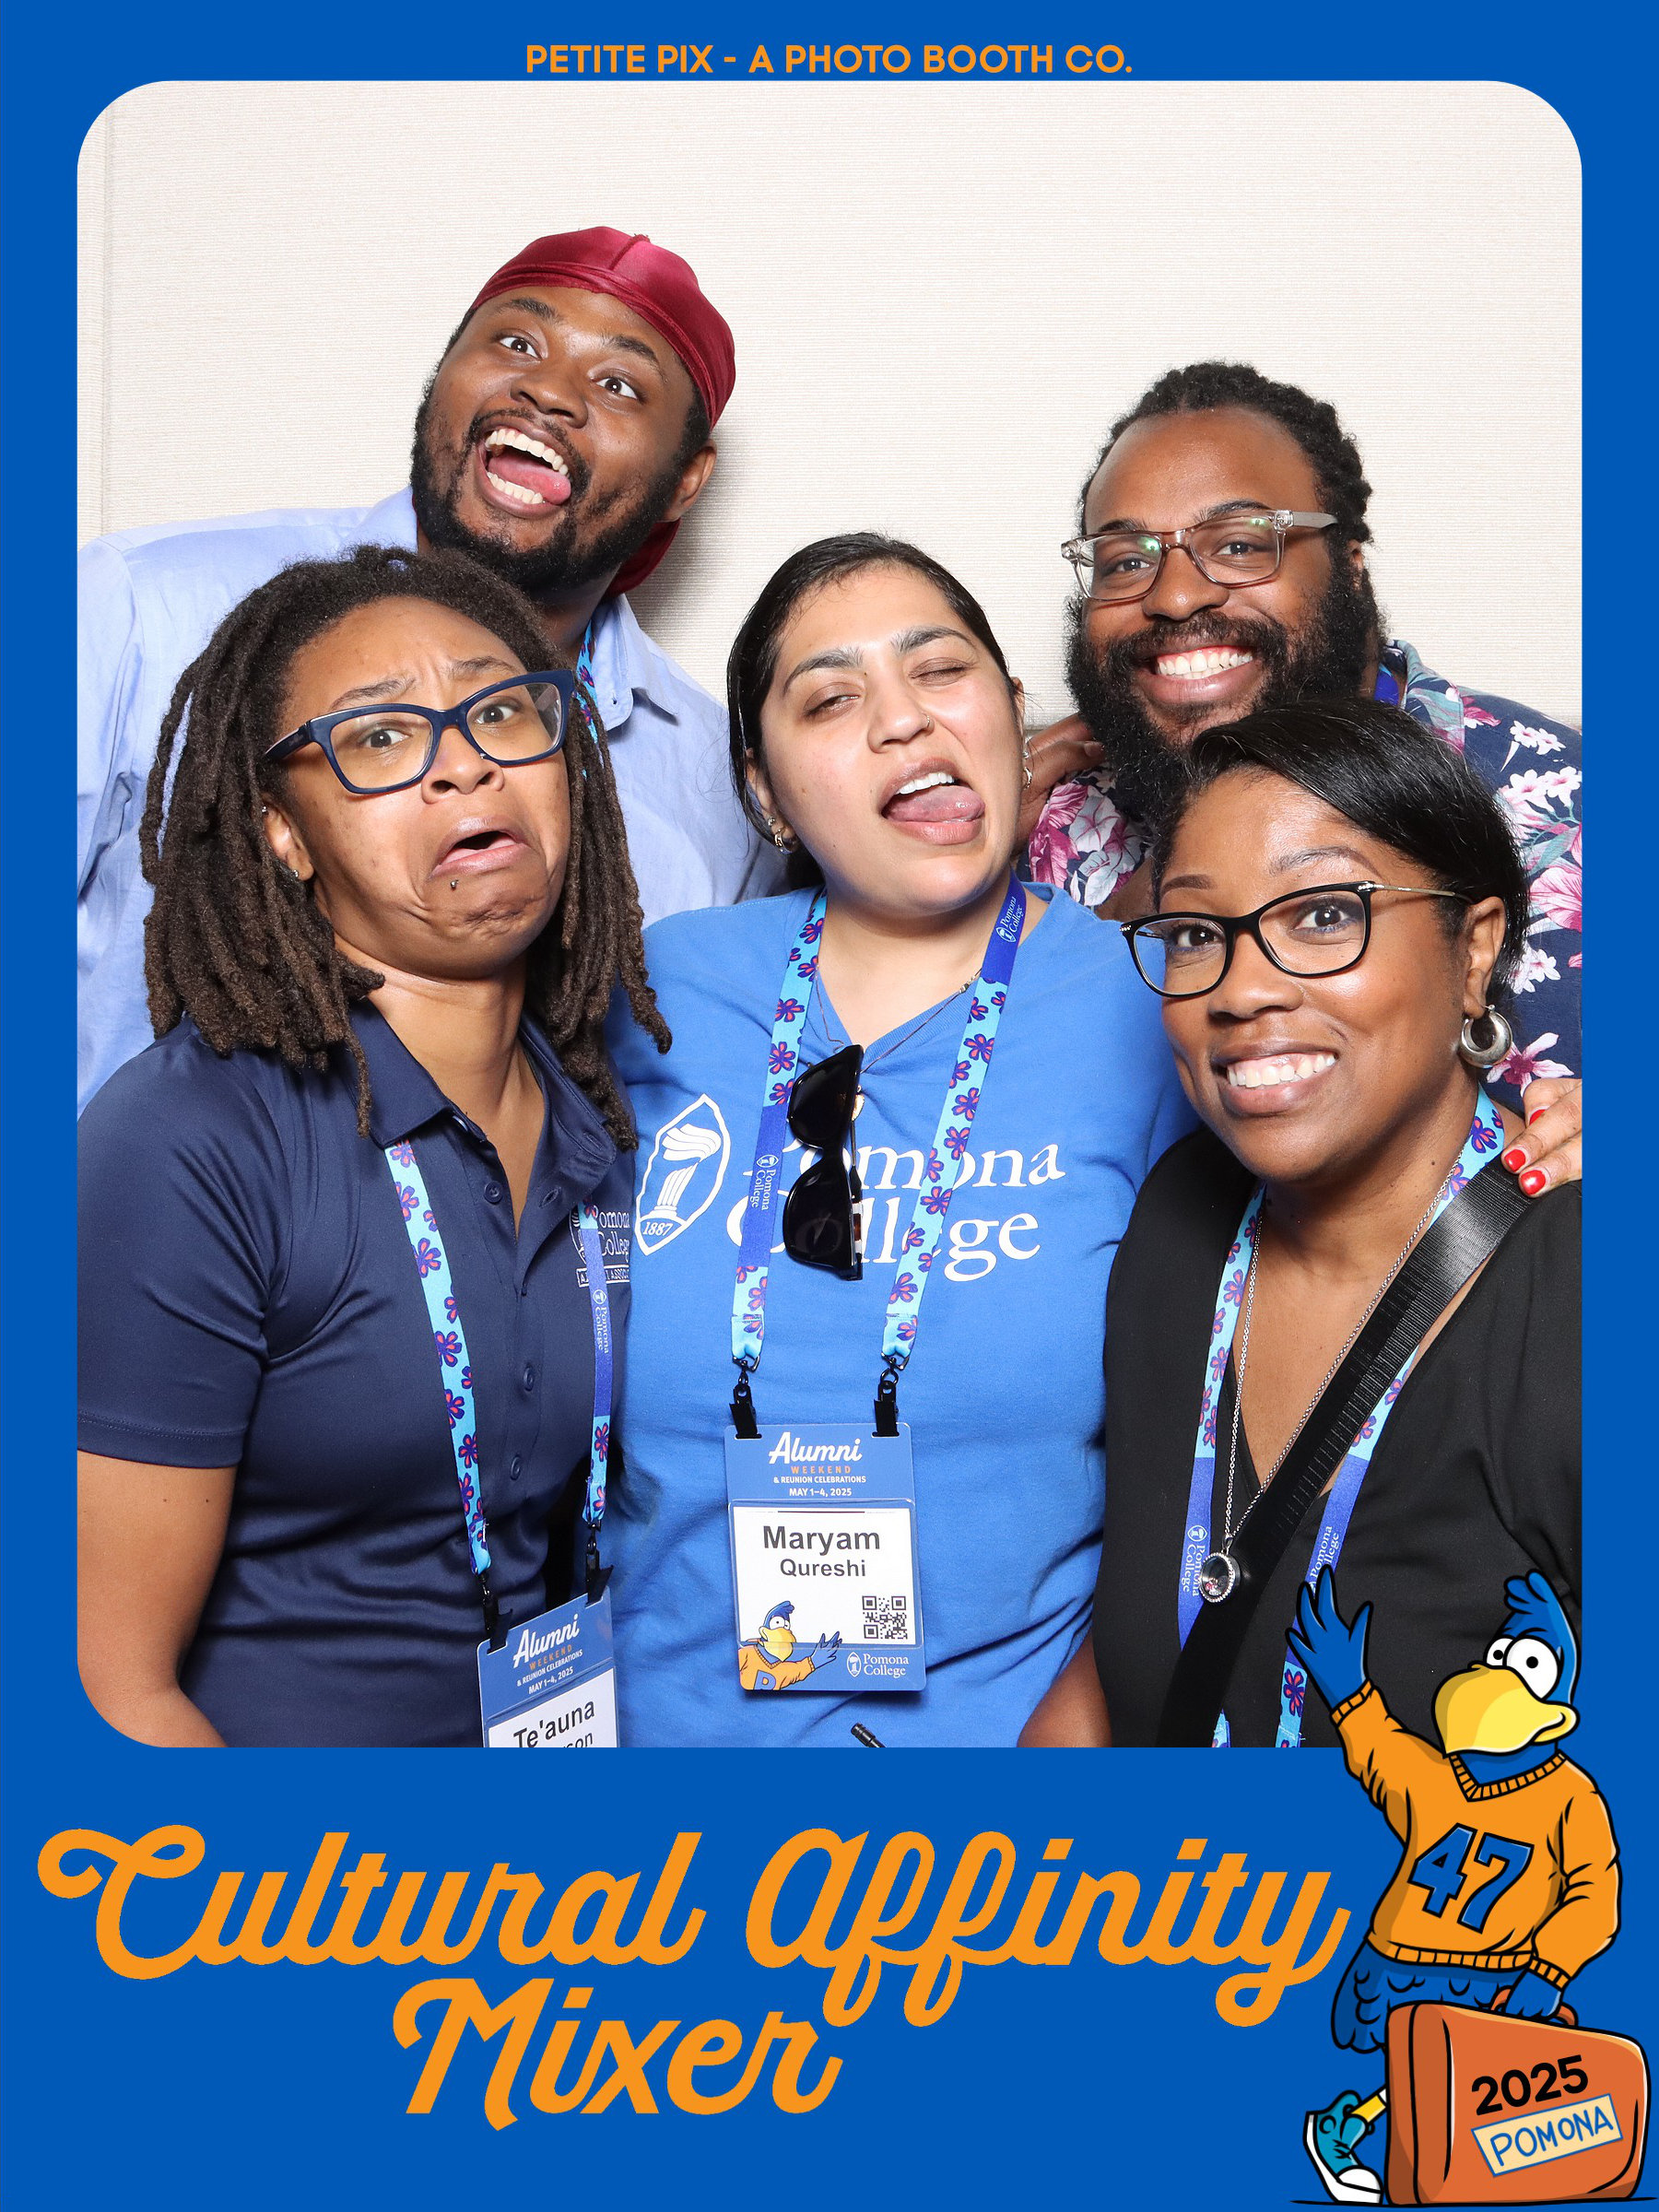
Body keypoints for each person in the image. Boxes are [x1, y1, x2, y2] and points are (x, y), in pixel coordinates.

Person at [605, 534, 1192, 1747]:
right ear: (764, 793)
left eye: (940, 671)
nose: (903, 720)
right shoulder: (656, 994)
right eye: (830, 698)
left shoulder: (1154, 1004)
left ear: (1013, 717)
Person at [76, 545, 666, 1747]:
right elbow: (109, 1692)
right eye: (381, 737)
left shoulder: (603, 1124)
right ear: (284, 836)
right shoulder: (187, 1145)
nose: (465, 762)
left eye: (502, 712)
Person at [78, 225, 780, 1112]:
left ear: (686, 481)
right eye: (515, 342)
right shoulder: (140, 604)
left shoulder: (720, 784)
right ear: (443, 373)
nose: (549, 390)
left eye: (618, 384)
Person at [1023, 699, 1578, 1749]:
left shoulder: (1581, 1302)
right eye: (1196, 934)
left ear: (1474, 952)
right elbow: (1137, 1645)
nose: (1241, 991)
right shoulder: (1180, 1225)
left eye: (1323, 916)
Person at [1022, 361, 1581, 1184]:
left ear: (1351, 564)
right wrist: (966, 871)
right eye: (1125, 561)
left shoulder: (1567, 811)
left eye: (1239, 545)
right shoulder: (1050, 829)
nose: (1174, 597)